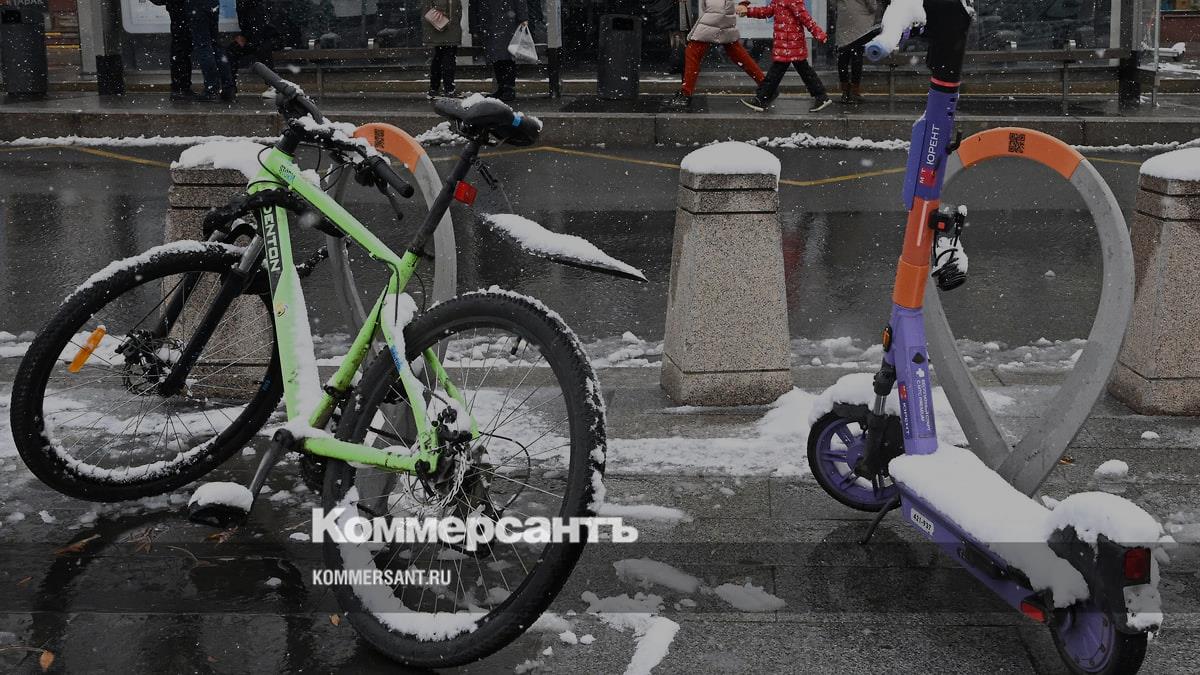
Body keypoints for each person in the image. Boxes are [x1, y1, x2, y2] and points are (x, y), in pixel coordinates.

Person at [736, 0, 832, 112]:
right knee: (802, 72)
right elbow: (767, 11)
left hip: (791, 45)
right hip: (785, 45)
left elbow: (805, 17)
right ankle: (821, 97)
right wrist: (748, 11)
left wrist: (818, 34)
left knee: (778, 73)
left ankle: (761, 99)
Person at [667, 0, 764, 109]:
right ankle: (766, 85)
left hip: (718, 7)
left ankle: (686, 94)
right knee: (735, 51)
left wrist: (743, 3)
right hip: (719, 7)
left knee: (694, 50)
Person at [477, 0, 529, 102]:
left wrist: (523, 17)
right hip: (499, 20)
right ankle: (504, 88)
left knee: (504, 57)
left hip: (501, 20)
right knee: (500, 57)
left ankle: (507, 88)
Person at [188, 0, 235, 102]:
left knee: (204, 47)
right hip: (212, 4)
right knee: (215, 45)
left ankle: (212, 89)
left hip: (198, 6)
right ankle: (228, 88)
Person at [226, 0, 276, 96]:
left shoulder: (254, 6)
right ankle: (230, 87)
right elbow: (248, 26)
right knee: (231, 50)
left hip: (265, 37)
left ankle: (274, 85)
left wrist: (247, 39)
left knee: (263, 49)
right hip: (254, 37)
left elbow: (260, 28)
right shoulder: (243, 5)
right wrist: (244, 37)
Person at [835, 0, 879, 104]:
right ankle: (855, 91)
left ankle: (845, 91)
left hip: (844, 18)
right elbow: (872, 6)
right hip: (859, 21)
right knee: (856, 56)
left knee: (843, 55)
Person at [423, 0, 463, 98]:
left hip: (438, 26)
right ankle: (448, 89)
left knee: (439, 57)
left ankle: (434, 88)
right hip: (446, 27)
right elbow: (454, 9)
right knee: (448, 58)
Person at [164, 0, 194, 101]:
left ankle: (180, 87)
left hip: (178, 10)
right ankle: (181, 88)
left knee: (181, 49)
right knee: (182, 49)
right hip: (181, 11)